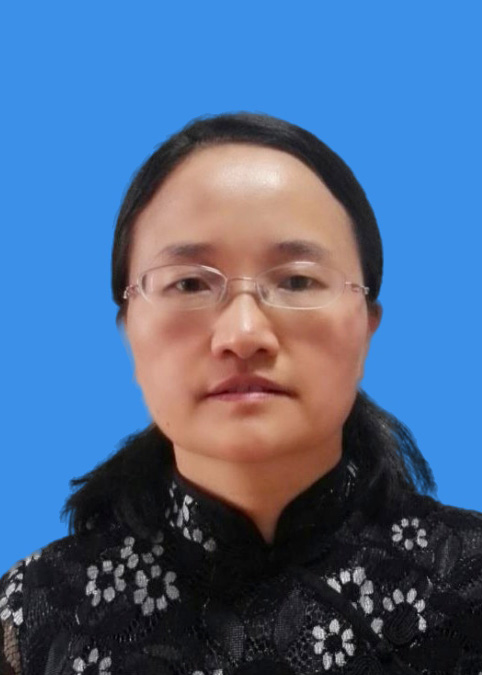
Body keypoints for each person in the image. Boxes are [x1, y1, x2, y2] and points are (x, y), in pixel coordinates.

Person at [1, 112, 481, 675]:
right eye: (188, 283)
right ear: (128, 327)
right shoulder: (34, 617)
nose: (244, 334)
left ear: (368, 323)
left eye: (297, 280)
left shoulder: (467, 588)